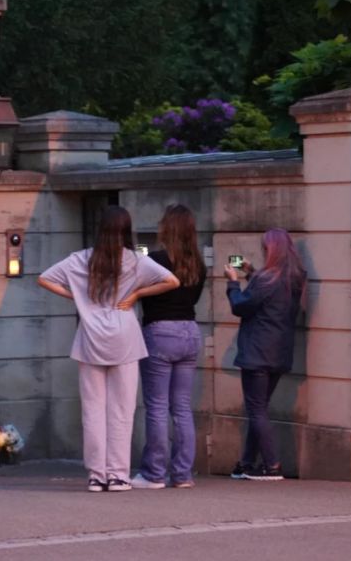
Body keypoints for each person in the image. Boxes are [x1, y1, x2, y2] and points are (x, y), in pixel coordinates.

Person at [38, 205, 179, 493]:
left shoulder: (80, 259)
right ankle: (118, 475)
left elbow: (45, 278)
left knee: (92, 409)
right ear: (127, 230)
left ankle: (96, 475)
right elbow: (171, 281)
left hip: (90, 337)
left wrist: (77, 299)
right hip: (124, 335)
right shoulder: (135, 261)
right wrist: (137, 293)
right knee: (122, 409)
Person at [127, 204, 206, 490]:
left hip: (160, 331)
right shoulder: (198, 263)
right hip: (190, 331)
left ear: (166, 229)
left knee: (157, 406)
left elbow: (137, 288)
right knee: (182, 407)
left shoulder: (156, 260)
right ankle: (183, 474)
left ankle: (154, 473)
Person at [224, 228, 306, 481]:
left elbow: (241, 306)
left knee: (257, 409)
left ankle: (272, 466)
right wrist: (251, 272)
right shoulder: (295, 277)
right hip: (279, 352)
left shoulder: (266, 279)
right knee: (257, 408)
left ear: (270, 250)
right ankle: (246, 463)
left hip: (257, 352)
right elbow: (268, 294)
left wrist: (232, 282)